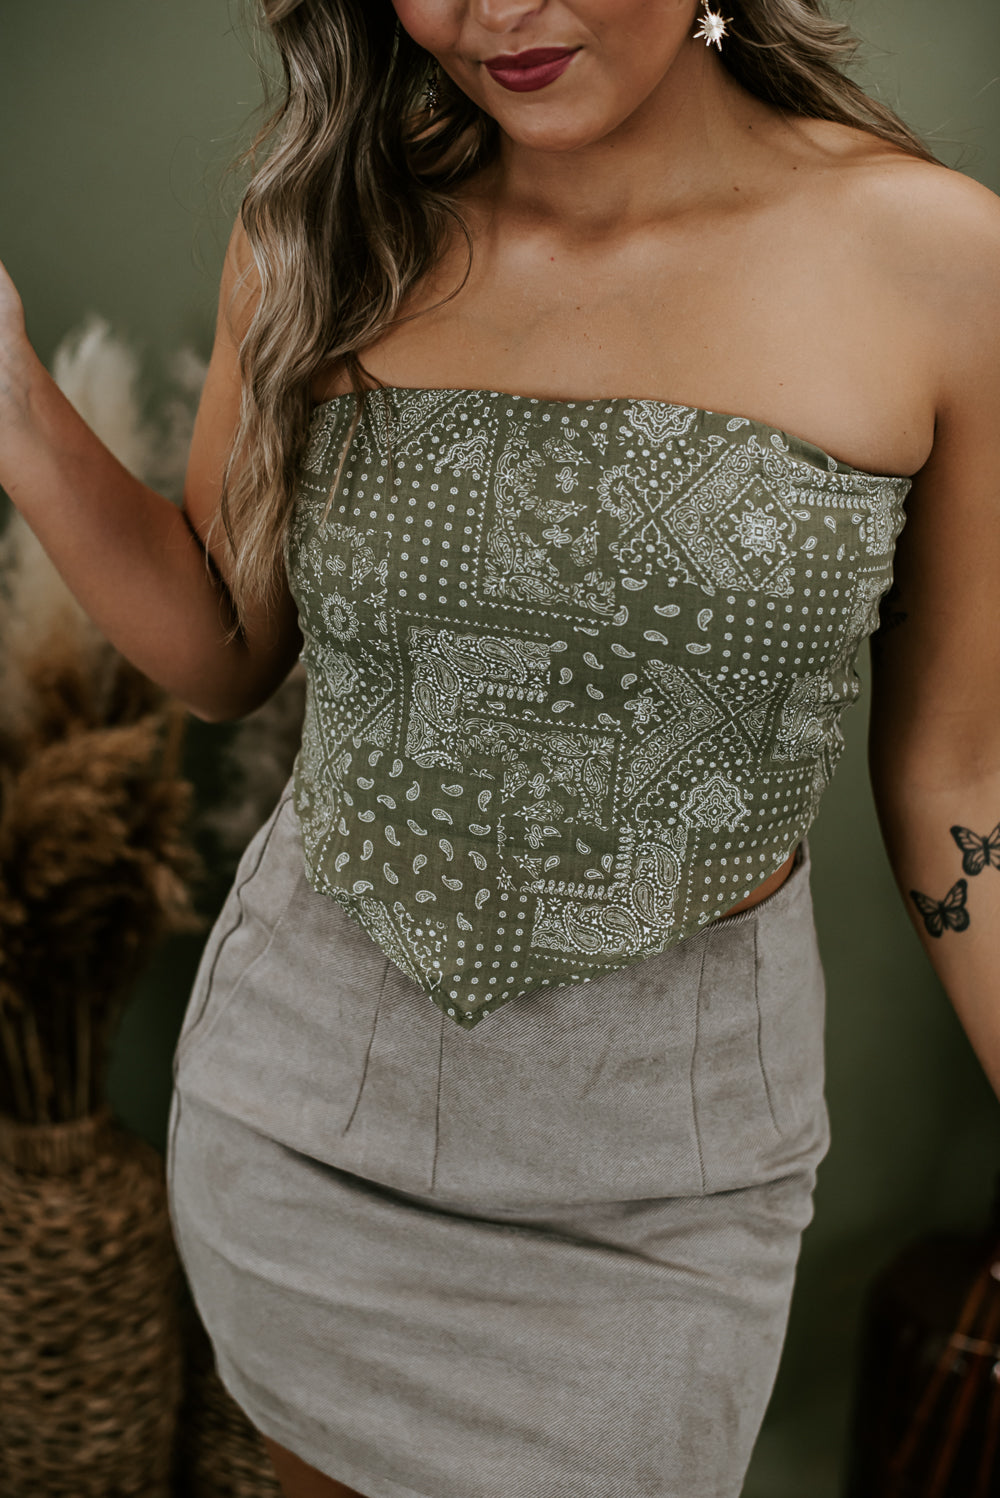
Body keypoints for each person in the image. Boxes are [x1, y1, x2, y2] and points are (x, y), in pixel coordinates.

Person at [2, 1, 1000, 1494]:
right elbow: (224, 647)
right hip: (307, 1120)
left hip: (665, 1182)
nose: (498, 12)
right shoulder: (326, 227)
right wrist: (15, 405)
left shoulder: (941, 261)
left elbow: (958, 776)